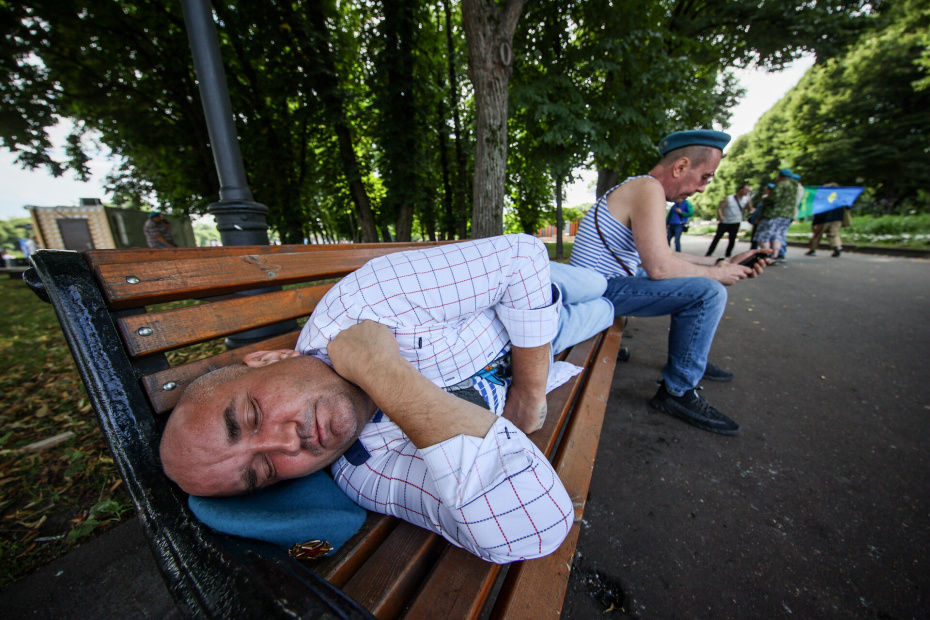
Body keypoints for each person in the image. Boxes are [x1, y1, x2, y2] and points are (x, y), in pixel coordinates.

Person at [160, 234, 614, 563]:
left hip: (533, 294)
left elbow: (524, 257)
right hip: (555, 344)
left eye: (252, 414)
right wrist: (384, 375)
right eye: (264, 470)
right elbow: (533, 528)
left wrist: (529, 393)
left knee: (602, 283)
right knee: (612, 309)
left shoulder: (369, 301)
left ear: (269, 358)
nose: (287, 443)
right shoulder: (365, 471)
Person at [569, 129, 771, 436]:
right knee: (708, 293)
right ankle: (677, 391)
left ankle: (692, 358)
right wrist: (717, 275)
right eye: (705, 177)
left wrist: (720, 262)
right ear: (681, 167)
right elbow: (660, 268)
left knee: (703, 283)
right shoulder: (647, 188)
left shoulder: (642, 187)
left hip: (601, 284)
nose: (703, 188)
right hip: (595, 290)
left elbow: (664, 254)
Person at [753, 169, 800, 262]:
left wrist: (765, 199)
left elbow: (774, 198)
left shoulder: (781, 184)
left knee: (763, 236)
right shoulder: (795, 186)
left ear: (780, 176)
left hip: (774, 214)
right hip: (787, 215)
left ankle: (767, 256)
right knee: (778, 236)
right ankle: (775, 256)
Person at [706, 183, 752, 258]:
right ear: (741, 189)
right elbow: (719, 208)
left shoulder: (746, 200)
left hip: (736, 222)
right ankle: (709, 253)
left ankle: (728, 255)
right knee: (717, 238)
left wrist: (749, 207)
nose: (747, 191)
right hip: (725, 222)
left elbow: (750, 209)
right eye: (746, 189)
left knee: (732, 240)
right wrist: (721, 216)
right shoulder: (729, 198)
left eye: (748, 190)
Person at [806, 183, 845, 257]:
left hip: (824, 219)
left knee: (817, 234)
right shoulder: (840, 198)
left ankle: (812, 250)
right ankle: (837, 247)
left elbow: (818, 210)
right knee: (833, 234)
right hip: (837, 219)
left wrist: (815, 222)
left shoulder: (823, 198)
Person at [748, 183, 774, 250]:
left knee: (760, 238)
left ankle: (764, 252)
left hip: (761, 221)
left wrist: (759, 218)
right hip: (757, 221)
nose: (765, 190)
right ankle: (754, 251)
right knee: (755, 238)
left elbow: (765, 210)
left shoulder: (769, 200)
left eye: (767, 189)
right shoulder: (764, 199)